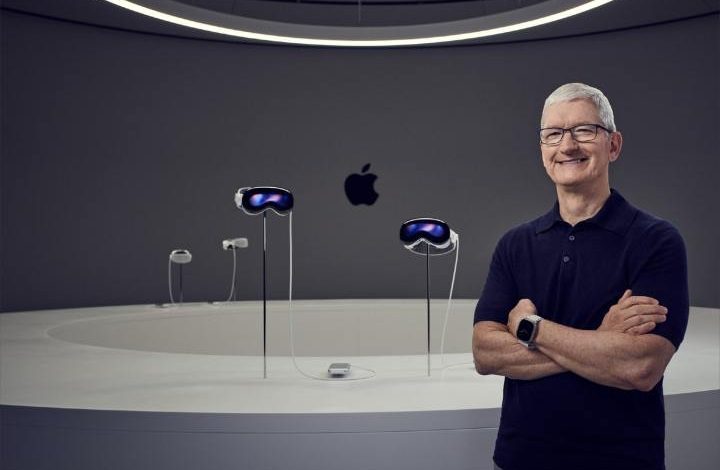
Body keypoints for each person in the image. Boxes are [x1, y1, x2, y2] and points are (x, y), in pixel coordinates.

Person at [472, 82, 689, 470]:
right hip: (522, 457)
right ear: (542, 150)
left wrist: (530, 328)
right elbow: (485, 353)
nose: (567, 146)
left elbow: (640, 367)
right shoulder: (515, 244)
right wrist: (602, 341)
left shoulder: (656, 241)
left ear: (614, 145)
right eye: (553, 134)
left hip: (620, 459)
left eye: (584, 131)